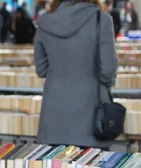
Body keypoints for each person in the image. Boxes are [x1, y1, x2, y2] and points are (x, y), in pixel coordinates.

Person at [35, 0, 118, 147]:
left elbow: (41, 69)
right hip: (91, 117)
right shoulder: (101, 20)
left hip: (53, 118)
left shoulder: (45, 23)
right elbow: (108, 70)